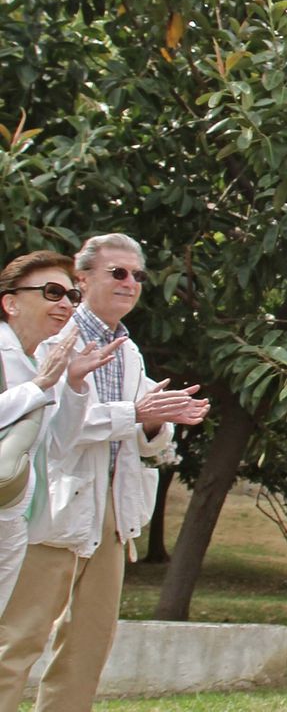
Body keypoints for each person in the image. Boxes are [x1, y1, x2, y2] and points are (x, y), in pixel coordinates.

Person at [0, 233, 210, 712]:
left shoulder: (127, 347)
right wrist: (135, 414)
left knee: (89, 646)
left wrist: (156, 420)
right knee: (19, 640)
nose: (130, 283)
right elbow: (59, 428)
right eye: (118, 272)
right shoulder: (54, 334)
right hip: (53, 510)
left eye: (137, 275)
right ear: (83, 278)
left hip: (112, 515)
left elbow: (137, 436)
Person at [0, 252, 115, 613]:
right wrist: (39, 386)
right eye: (52, 292)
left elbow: (56, 448)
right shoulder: (33, 366)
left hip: (14, 515)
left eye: (71, 296)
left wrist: (76, 385)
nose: (65, 304)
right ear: (11, 303)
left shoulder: (39, 361)